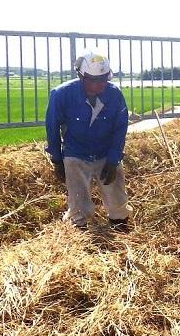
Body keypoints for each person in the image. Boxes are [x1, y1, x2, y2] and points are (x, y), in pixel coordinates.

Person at [45, 48, 132, 230]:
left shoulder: (114, 94)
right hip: (76, 153)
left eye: (104, 79)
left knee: (117, 197)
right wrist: (57, 160)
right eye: (94, 80)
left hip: (105, 152)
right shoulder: (61, 94)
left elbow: (120, 128)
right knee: (78, 203)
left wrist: (113, 160)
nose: (100, 85)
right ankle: (79, 231)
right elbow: (52, 128)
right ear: (81, 76)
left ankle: (120, 225)